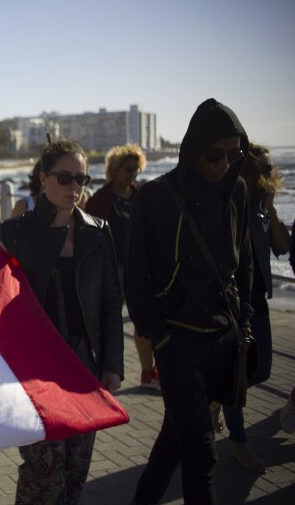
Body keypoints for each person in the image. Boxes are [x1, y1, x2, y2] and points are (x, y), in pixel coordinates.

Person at [126, 98, 253, 505]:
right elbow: (136, 275)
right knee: (201, 453)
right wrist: (158, 336)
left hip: (223, 339)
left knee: (176, 441)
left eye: (234, 154)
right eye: (215, 154)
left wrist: (244, 322)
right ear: (193, 148)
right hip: (177, 342)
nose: (223, 163)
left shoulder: (238, 191)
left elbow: (244, 264)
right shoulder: (156, 197)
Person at [0, 137, 123, 504]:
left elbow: (112, 303)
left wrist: (113, 363)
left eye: (82, 179)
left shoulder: (99, 231)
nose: (75, 187)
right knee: (44, 473)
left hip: (85, 369)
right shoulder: (14, 232)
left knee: (75, 473)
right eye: (65, 178)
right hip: (34, 373)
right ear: (43, 177)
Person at [218, 143, 289, 474]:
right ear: (245, 170)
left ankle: (217, 397)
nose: (268, 173)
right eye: (262, 168)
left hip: (257, 302)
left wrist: (272, 207)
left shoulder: (262, 208)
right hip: (232, 304)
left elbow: (282, 247)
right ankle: (239, 442)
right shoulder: (228, 204)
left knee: (261, 371)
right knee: (239, 376)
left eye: (269, 168)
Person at [85, 144, 157, 390]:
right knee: (110, 320)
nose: (132, 175)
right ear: (113, 170)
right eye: (127, 169)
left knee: (143, 319)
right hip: (110, 266)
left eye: (136, 170)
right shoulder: (99, 201)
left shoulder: (142, 196)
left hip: (140, 265)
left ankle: (148, 372)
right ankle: (105, 371)